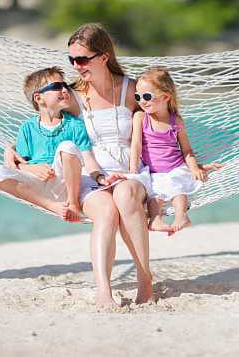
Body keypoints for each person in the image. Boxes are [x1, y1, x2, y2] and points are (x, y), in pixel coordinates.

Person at [64, 23, 156, 306]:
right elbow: (42, 128)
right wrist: (13, 152)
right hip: (91, 175)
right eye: (72, 60)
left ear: (104, 57)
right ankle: (103, 290)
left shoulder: (132, 90)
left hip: (130, 171)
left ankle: (144, 280)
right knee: (105, 210)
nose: (76, 66)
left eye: (82, 59)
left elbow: (161, 123)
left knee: (125, 195)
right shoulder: (72, 96)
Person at [0, 67, 110, 222]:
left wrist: (100, 177)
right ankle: (53, 206)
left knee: (67, 146)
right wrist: (32, 168)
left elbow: (88, 158)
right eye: (56, 87)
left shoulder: (75, 125)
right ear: (39, 98)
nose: (64, 90)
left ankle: (73, 205)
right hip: (37, 186)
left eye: (65, 86)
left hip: (65, 184)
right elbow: (17, 163)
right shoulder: (27, 128)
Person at [129, 67, 221, 234]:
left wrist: (194, 168)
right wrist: (133, 170)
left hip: (175, 167)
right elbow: (136, 145)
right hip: (153, 171)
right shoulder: (140, 117)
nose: (141, 101)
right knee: (154, 196)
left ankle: (181, 216)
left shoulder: (175, 121)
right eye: (138, 96)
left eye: (147, 96)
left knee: (177, 190)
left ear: (165, 96)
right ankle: (155, 220)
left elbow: (187, 150)